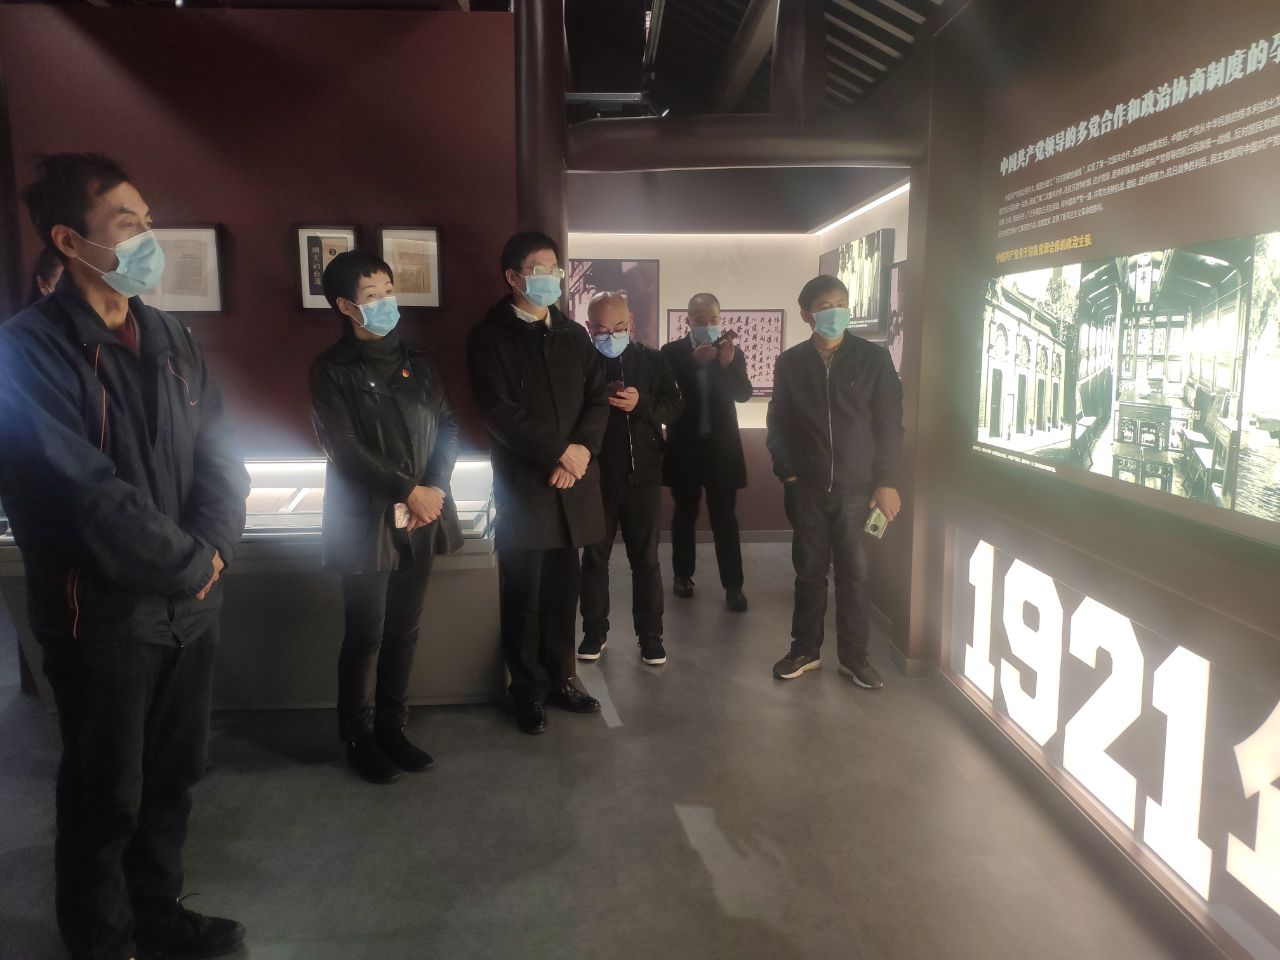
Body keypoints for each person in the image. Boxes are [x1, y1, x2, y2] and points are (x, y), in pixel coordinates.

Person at [0, 153, 249, 960]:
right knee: (105, 791)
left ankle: (157, 913)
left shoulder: (171, 336)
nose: (148, 236)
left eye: (148, 220)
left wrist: (213, 549)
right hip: (101, 613)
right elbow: (80, 491)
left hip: (190, 604)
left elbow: (221, 456)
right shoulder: (27, 351)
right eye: (128, 223)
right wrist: (189, 563)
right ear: (70, 240)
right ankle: (102, 941)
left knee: (175, 774)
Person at [309, 251, 463, 785]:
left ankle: (393, 726)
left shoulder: (419, 361)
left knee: (405, 629)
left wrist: (434, 489)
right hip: (365, 518)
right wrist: (407, 490)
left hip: (421, 513)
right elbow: (344, 449)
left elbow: (448, 426)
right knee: (365, 634)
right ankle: (359, 734)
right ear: (346, 306)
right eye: (372, 295)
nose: (386, 302)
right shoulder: (331, 370)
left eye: (389, 290)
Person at [467, 231, 610, 735]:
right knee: (523, 596)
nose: (553, 278)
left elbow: (598, 398)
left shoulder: (572, 334)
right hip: (526, 485)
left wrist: (582, 451)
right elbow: (499, 412)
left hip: (572, 483)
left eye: (556, 268)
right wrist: (558, 452)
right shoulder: (490, 338)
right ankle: (525, 688)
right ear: (513, 277)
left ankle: (562, 677)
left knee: (562, 593)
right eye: (540, 269)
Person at [765, 274, 904, 689]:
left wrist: (888, 481)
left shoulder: (873, 358)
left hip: (858, 491)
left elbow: (889, 424)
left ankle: (854, 657)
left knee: (854, 577)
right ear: (806, 314)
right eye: (826, 307)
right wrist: (788, 473)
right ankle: (805, 650)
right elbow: (778, 422)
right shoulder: (791, 363)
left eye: (841, 304)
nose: (836, 313)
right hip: (806, 488)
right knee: (808, 574)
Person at [578, 291, 683, 666]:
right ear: (589, 327)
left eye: (619, 327)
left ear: (631, 323)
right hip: (594, 478)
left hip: (643, 477)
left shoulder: (652, 360)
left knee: (647, 561)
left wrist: (642, 405)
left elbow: (675, 406)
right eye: (602, 330)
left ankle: (650, 636)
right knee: (594, 560)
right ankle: (594, 632)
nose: (611, 336)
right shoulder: (581, 361)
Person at [661, 292, 752, 612]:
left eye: (713, 319)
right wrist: (691, 364)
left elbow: (743, 394)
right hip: (685, 449)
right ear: (688, 321)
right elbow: (665, 395)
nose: (708, 324)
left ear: (720, 318)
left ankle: (734, 586)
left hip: (721, 451)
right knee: (684, 516)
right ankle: (683, 576)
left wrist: (726, 366)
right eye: (701, 319)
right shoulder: (671, 352)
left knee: (725, 519)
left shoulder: (731, 352)